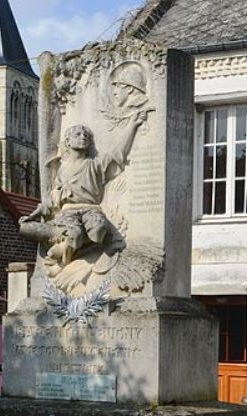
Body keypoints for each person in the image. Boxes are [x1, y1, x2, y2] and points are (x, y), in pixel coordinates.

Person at [19, 110, 150, 294]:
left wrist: (133, 125)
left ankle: (67, 247)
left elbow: (118, 152)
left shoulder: (94, 164)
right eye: (78, 135)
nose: (83, 137)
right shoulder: (61, 170)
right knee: (74, 234)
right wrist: (32, 215)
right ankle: (64, 249)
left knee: (98, 232)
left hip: (91, 209)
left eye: (86, 135)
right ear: (68, 142)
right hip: (68, 211)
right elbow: (52, 201)